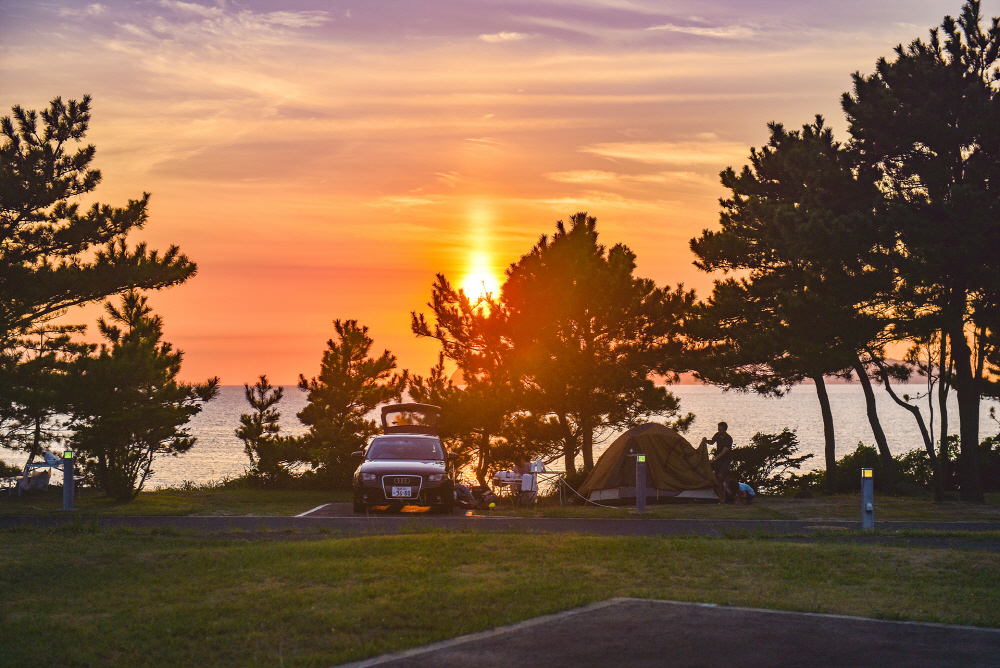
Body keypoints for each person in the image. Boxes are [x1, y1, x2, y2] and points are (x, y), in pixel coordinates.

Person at [707, 422, 734, 500]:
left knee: (720, 475)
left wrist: (713, 459)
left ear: (724, 429)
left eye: (720, 429)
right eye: (718, 429)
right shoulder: (717, 435)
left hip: (726, 459)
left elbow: (724, 452)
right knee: (716, 476)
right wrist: (705, 441)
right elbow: (712, 442)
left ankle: (728, 487)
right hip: (718, 459)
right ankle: (720, 492)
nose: (719, 431)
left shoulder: (728, 439)